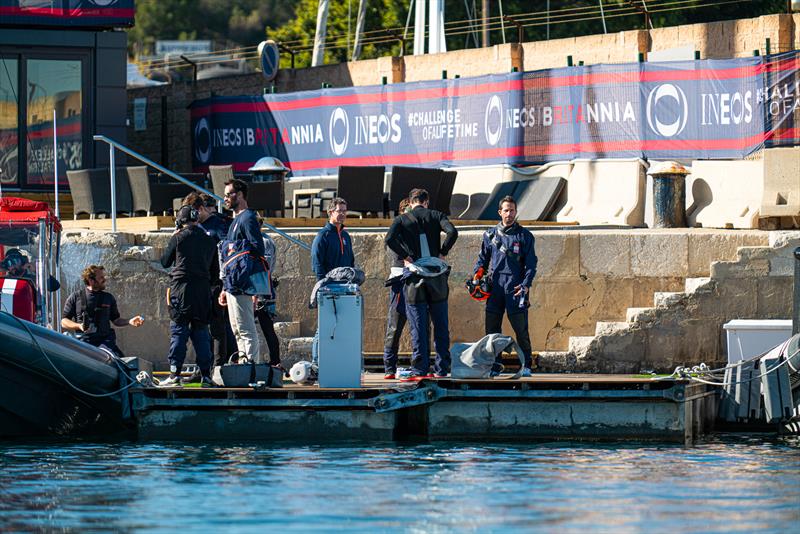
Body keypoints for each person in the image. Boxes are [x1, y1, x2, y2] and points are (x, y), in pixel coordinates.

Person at [385, 188, 458, 380]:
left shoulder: (402, 219)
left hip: (414, 276)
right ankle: (442, 369)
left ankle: (420, 369)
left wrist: (406, 255)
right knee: (441, 324)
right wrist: (443, 252)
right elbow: (452, 231)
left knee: (418, 326)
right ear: (426, 202)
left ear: (410, 202)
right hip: (436, 276)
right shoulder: (436, 215)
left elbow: (389, 239)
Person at [472, 195, 538, 376]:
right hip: (495, 289)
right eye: (506, 210)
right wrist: (477, 275)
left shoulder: (525, 236)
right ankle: (495, 365)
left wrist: (526, 285)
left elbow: (531, 265)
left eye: (513, 210)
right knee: (492, 331)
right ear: (500, 212)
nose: (509, 214)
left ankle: (526, 365)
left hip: (516, 288)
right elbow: (482, 261)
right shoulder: (489, 235)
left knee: (521, 329)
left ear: (516, 212)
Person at [158, 204, 219, 387]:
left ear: (180, 221)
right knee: (201, 333)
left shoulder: (178, 238)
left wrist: (173, 238)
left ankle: (175, 374)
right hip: (202, 291)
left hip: (181, 289)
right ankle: (206, 376)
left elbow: (165, 262)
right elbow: (215, 273)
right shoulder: (210, 241)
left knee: (179, 331)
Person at [219, 178, 265, 362]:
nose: (225, 199)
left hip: (242, 283)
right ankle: (244, 366)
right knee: (237, 329)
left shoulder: (248, 218)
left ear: (239, 195)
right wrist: (224, 287)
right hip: (232, 284)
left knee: (246, 329)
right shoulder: (235, 220)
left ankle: (252, 368)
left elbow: (258, 249)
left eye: (228, 195)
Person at [61, 265, 144, 356]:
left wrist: (130, 321)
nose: (104, 279)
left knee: (118, 359)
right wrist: (79, 326)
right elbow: (64, 321)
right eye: (101, 278)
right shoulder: (75, 297)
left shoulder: (108, 298)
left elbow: (116, 320)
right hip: (84, 342)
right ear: (91, 280)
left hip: (105, 342)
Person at [310, 197, 355, 364]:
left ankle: (335, 362)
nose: (342, 214)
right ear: (330, 212)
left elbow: (350, 261)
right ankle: (316, 363)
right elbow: (316, 260)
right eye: (339, 211)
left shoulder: (345, 235)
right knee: (323, 327)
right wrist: (322, 283)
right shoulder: (323, 235)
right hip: (328, 289)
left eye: (344, 211)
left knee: (341, 327)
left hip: (344, 289)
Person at [382, 197, 410, 380]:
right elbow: (395, 252)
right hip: (400, 283)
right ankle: (389, 367)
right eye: (408, 212)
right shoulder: (397, 231)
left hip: (417, 282)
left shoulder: (419, 231)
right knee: (395, 326)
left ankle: (420, 366)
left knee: (421, 327)